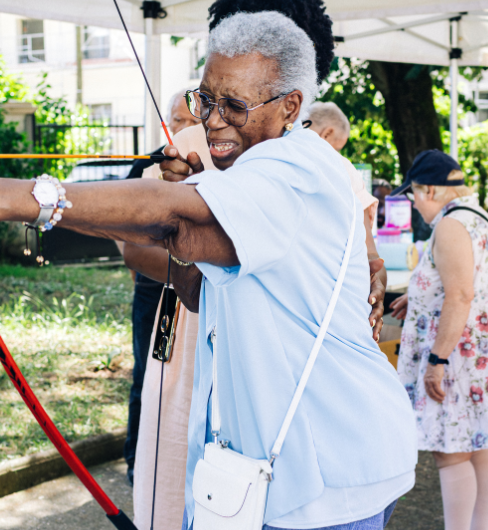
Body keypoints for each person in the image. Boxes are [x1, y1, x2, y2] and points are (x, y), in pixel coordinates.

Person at [0, 11, 417, 530]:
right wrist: (184, 200)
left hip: (329, 478)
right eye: (205, 99)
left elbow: (175, 221)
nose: (213, 120)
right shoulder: (260, 170)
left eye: (234, 106)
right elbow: (194, 284)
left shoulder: (294, 170)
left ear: (290, 107)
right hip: (295, 472)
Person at [127, 3, 386, 528]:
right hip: (198, 337)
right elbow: (137, 244)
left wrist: (369, 277)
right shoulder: (204, 135)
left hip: (283, 351)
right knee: (188, 476)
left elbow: (364, 254)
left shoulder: (316, 160)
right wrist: (188, 245)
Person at [390, 150, 488, 530]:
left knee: (450, 451)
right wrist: (420, 295)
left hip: (457, 357)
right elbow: (469, 280)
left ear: (428, 190)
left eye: (413, 196)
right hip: (480, 355)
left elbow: (460, 295)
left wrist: (437, 362)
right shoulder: (479, 217)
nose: (415, 206)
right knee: (475, 444)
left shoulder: (450, 225)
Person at [121, 88, 201, 487]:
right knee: (147, 373)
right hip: (157, 287)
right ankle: (138, 461)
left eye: (189, 120)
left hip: (195, 284)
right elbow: (128, 233)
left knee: (184, 378)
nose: (181, 128)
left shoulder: (209, 161)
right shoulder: (152, 162)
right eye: (175, 120)